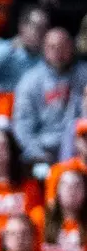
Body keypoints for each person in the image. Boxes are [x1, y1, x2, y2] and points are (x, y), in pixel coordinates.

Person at [14, 28, 87, 163]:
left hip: (80, 148)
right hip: (43, 149)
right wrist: (38, 153)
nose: (58, 52)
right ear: (44, 50)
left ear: (72, 47)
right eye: (52, 47)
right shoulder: (30, 81)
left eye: (63, 46)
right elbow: (22, 126)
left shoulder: (84, 75)